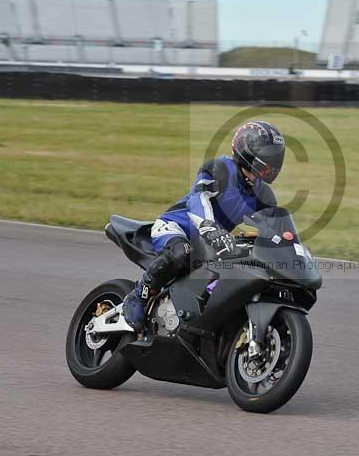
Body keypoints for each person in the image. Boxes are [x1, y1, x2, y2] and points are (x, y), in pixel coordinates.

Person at [122, 120, 285, 331]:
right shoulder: (219, 168)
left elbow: (273, 228)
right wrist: (210, 227)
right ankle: (138, 297)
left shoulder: (263, 194)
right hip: (178, 227)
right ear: (248, 149)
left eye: (276, 156)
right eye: (268, 155)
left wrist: (287, 249)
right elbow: (198, 200)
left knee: (242, 265)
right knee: (182, 252)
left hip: (213, 241)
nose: (273, 161)